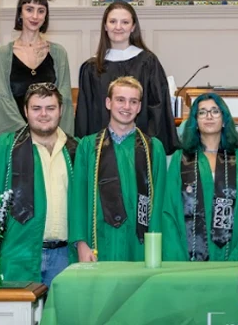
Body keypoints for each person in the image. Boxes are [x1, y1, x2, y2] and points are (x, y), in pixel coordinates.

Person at [0, 82, 77, 287]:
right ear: (25, 111)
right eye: (36, 108)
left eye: (50, 108)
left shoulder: (75, 150)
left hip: (64, 255)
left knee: (60, 317)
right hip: (17, 251)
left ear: (61, 111)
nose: (44, 114)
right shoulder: (6, 146)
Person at [70, 76, 168, 263]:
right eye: (120, 100)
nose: (127, 107)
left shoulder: (153, 148)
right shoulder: (88, 146)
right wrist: (81, 244)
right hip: (98, 243)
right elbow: (78, 199)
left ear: (139, 107)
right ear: (108, 103)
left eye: (133, 101)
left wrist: (154, 249)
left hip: (139, 245)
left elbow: (159, 206)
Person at [158, 93, 238, 261]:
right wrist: (177, 260)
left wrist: (237, 257)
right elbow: (169, 213)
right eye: (202, 112)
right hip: (186, 259)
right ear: (195, 122)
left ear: (224, 120)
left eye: (215, 111)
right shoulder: (180, 160)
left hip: (232, 256)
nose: (209, 116)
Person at [75, 1, 180, 154]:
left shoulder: (148, 63)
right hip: (102, 151)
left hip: (140, 150)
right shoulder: (91, 68)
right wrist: (87, 151)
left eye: (125, 22)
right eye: (112, 21)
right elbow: (85, 114)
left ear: (133, 27)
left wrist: (147, 146)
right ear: (105, 26)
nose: (118, 27)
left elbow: (158, 109)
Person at [0, 0, 73, 137]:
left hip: (51, 136)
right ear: (20, 13)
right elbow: (2, 100)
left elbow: (64, 99)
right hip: (15, 138)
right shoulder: (2, 55)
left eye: (41, 11)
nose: (35, 16)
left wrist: (45, 131)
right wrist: (29, 134)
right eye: (29, 9)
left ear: (45, 16)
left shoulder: (59, 53)